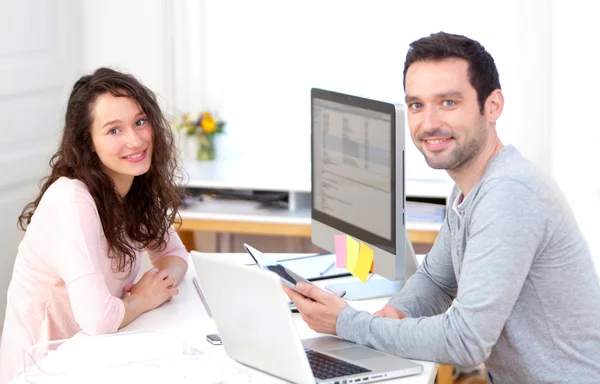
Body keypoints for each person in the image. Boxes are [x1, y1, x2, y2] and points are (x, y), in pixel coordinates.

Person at [285, 32, 600, 383]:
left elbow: (465, 343)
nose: (429, 123)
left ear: (492, 106)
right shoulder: (471, 183)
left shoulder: (509, 194)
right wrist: (395, 313)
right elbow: (437, 278)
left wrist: (348, 323)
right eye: (417, 105)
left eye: (448, 102)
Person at [0, 68, 190, 383]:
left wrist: (156, 284)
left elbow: (174, 254)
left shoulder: (133, 186)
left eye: (140, 122)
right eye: (114, 130)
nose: (135, 139)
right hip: (41, 370)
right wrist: (144, 298)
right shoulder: (72, 200)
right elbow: (98, 319)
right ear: (88, 142)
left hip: (94, 357)